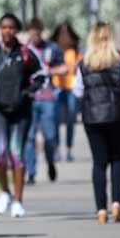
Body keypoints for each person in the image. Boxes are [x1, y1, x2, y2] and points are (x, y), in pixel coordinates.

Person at [0, 13, 46, 218]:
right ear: (0, 29)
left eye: (12, 27)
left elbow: (42, 77)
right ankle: (5, 192)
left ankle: (18, 200)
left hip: (21, 112)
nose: (8, 31)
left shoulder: (26, 53)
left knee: (16, 155)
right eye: (4, 27)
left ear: (17, 30)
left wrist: (27, 94)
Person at [74, 22, 120, 223]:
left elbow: (78, 91)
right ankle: (116, 203)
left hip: (92, 117)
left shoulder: (84, 63)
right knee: (117, 158)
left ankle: (101, 209)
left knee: (99, 163)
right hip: (116, 115)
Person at [22, 17, 63, 184]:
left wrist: (50, 70)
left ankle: (50, 161)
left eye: (37, 34)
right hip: (30, 99)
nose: (35, 37)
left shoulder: (51, 48)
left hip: (47, 97)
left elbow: (65, 67)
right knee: (29, 136)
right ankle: (31, 172)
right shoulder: (24, 50)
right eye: (32, 34)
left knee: (50, 135)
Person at [51, 23, 81, 162]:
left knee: (70, 119)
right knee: (55, 119)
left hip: (71, 87)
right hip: (57, 87)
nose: (64, 37)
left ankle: (69, 149)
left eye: (67, 34)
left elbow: (80, 65)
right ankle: (56, 149)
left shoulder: (73, 50)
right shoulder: (53, 49)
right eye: (62, 34)